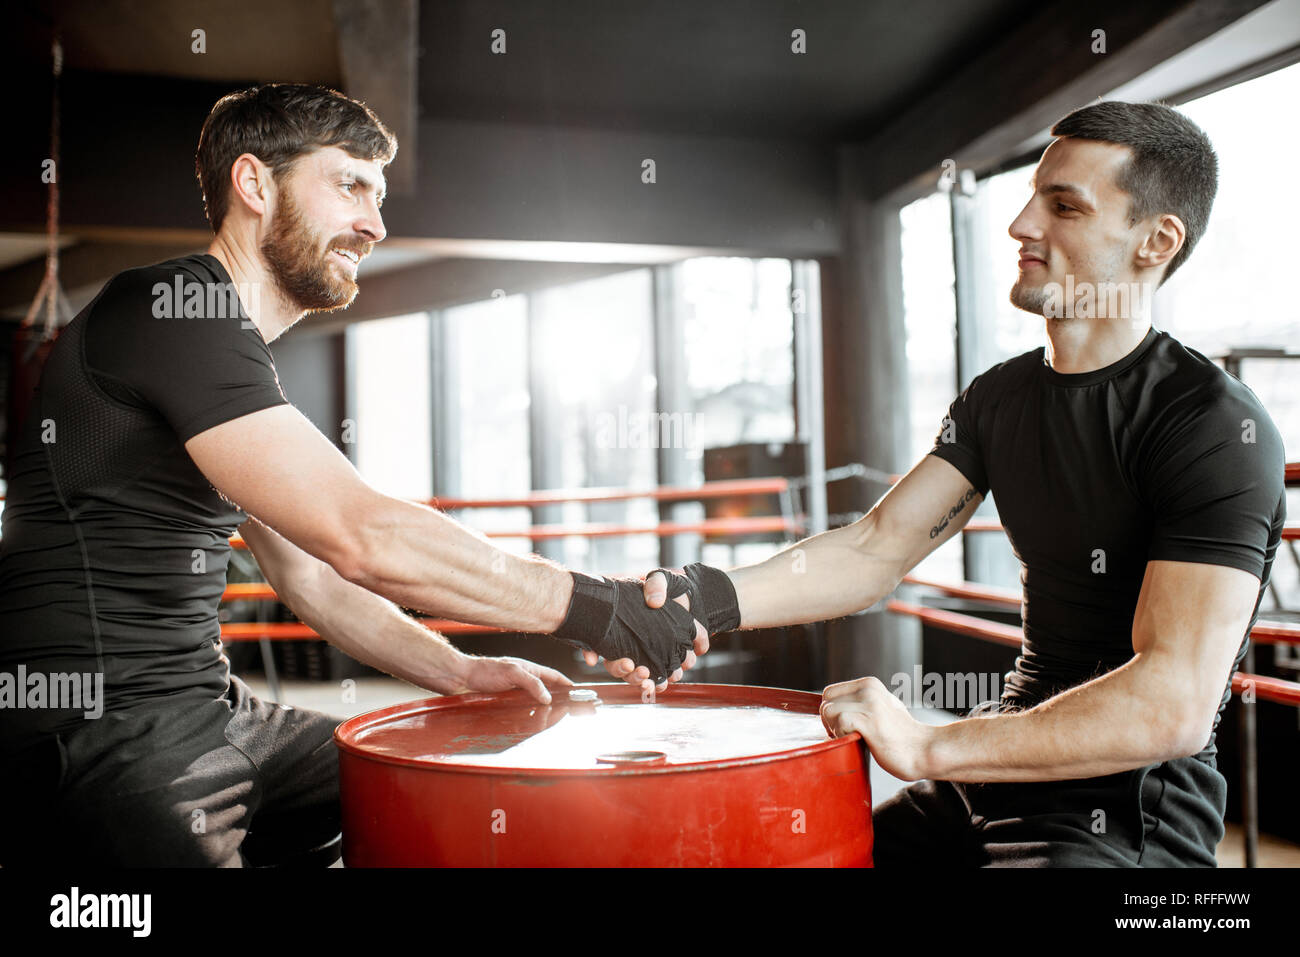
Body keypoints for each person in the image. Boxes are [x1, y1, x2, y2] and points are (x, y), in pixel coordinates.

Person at [0, 83, 705, 867]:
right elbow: (359, 532)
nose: (375, 224)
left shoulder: (225, 359)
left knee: (442, 792)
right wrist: (600, 608)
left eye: (377, 195)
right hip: (102, 732)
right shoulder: (170, 309)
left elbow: (316, 579)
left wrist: (459, 670)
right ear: (254, 185)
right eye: (349, 186)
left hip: (211, 711)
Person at [629, 101, 1286, 867]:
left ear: (1156, 240)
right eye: (1033, 195)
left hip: (1126, 812)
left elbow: (1171, 702)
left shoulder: (1210, 424)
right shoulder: (1000, 397)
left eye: (1063, 205)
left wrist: (930, 743)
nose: (1021, 225)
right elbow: (875, 547)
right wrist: (701, 600)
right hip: (992, 772)